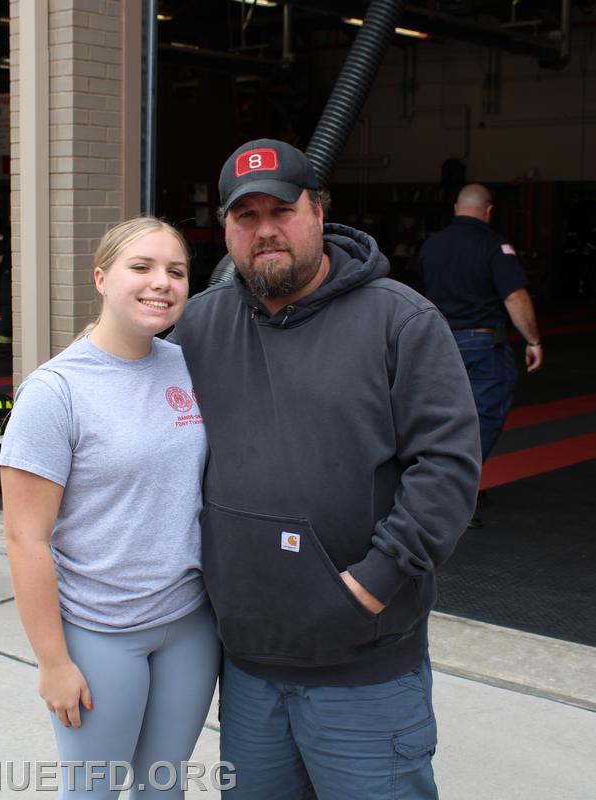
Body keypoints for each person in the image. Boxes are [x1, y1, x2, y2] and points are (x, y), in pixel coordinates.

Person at [170, 139, 481, 799]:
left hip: (364, 673)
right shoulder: (199, 326)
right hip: (249, 671)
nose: (264, 231)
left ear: (318, 211)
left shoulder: (400, 321)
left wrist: (370, 587)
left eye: (279, 210)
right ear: (225, 229)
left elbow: (447, 469)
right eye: (244, 216)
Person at [0, 217, 219, 799]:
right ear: (101, 278)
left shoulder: (187, 366)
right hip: (101, 632)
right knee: (93, 793)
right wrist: (53, 663)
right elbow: (26, 538)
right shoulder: (55, 392)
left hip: (190, 624)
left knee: (162, 791)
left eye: (176, 271)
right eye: (141, 267)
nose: (161, 283)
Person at [418, 183, 543, 470]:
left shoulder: (431, 246)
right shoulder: (495, 245)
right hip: (483, 347)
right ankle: (456, 486)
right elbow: (514, 295)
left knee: (442, 419)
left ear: (455, 209)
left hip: (439, 346)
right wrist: (533, 340)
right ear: (488, 210)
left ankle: (443, 481)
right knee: (484, 418)